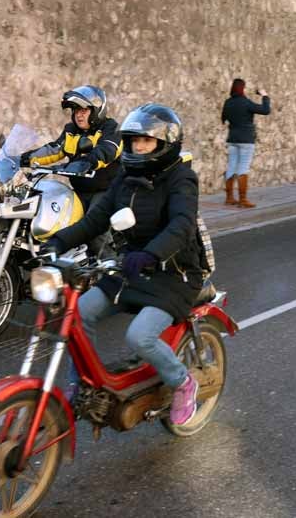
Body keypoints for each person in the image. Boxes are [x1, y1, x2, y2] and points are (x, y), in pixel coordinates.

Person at [45, 104, 205, 426]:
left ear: (164, 144)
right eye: (134, 142)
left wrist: (151, 254)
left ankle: (183, 383)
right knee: (77, 313)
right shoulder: (125, 177)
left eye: (146, 142)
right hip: (130, 268)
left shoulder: (181, 179)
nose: (138, 147)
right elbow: (96, 219)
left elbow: (182, 225)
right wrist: (57, 241)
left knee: (139, 337)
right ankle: (83, 386)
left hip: (173, 273)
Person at [24, 85, 121, 213]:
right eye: (75, 111)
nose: (78, 115)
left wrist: (86, 163)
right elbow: (54, 150)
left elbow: (107, 150)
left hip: (105, 192)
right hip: (79, 192)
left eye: (83, 111)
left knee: (95, 225)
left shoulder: (111, 128)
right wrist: (22, 159)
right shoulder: (71, 130)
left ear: (97, 110)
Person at [221, 79, 271, 208]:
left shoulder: (228, 102)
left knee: (231, 166)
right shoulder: (246, 102)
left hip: (232, 139)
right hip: (246, 140)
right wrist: (264, 95)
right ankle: (242, 200)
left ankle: (229, 198)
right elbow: (266, 110)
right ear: (242, 89)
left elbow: (223, 119)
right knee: (243, 168)